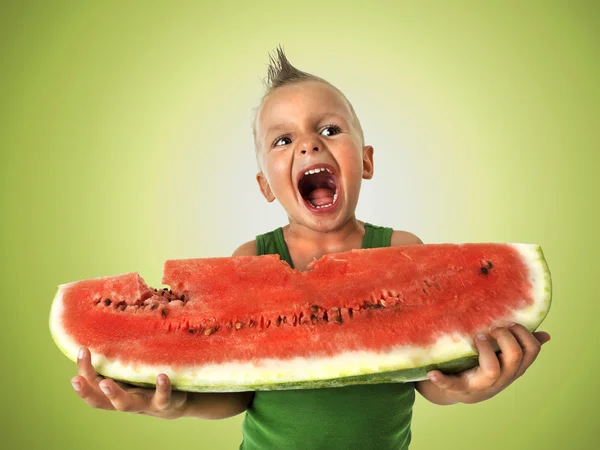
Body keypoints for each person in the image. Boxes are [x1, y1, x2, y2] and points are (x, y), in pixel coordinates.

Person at [70, 46, 551, 449]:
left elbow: (428, 379)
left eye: (328, 130)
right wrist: (176, 404)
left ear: (365, 162)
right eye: (283, 139)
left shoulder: (402, 251)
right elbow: (237, 390)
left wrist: (470, 388)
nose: (308, 146)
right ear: (265, 186)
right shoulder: (250, 260)